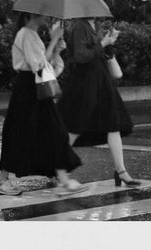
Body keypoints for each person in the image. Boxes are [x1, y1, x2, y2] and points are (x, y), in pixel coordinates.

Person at [0, 12, 86, 197]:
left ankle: (62, 179)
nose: (47, 17)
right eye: (43, 14)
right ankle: (3, 180)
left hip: (32, 87)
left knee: (47, 131)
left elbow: (42, 63)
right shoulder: (27, 33)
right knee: (26, 132)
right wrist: (53, 41)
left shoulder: (30, 34)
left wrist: (55, 47)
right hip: (30, 88)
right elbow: (38, 65)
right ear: (32, 15)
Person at [57, 15, 141, 186]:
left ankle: (121, 171)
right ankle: (60, 171)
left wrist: (110, 41)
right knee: (76, 125)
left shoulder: (95, 24)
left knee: (113, 124)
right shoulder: (80, 26)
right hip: (85, 82)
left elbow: (99, 52)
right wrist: (102, 43)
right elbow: (81, 56)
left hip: (101, 79)